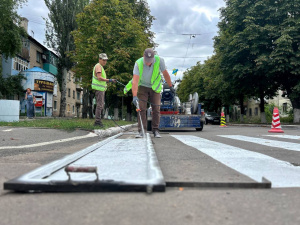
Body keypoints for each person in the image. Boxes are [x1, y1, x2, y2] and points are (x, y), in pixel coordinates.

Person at [131, 48, 175, 138]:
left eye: (150, 61)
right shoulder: (138, 63)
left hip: (155, 87)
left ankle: (155, 130)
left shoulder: (159, 60)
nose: (148, 63)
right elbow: (135, 81)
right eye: (147, 60)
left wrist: (170, 86)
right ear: (143, 56)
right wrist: (134, 96)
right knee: (141, 108)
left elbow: (165, 73)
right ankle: (141, 131)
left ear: (153, 57)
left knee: (156, 109)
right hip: (142, 86)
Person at [92, 53, 116, 127]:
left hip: (100, 89)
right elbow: (99, 78)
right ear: (99, 59)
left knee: (101, 105)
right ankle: (97, 122)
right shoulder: (98, 66)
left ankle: (98, 121)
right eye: (103, 60)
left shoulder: (100, 67)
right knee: (100, 105)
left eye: (106, 60)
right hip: (99, 89)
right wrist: (110, 80)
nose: (105, 62)